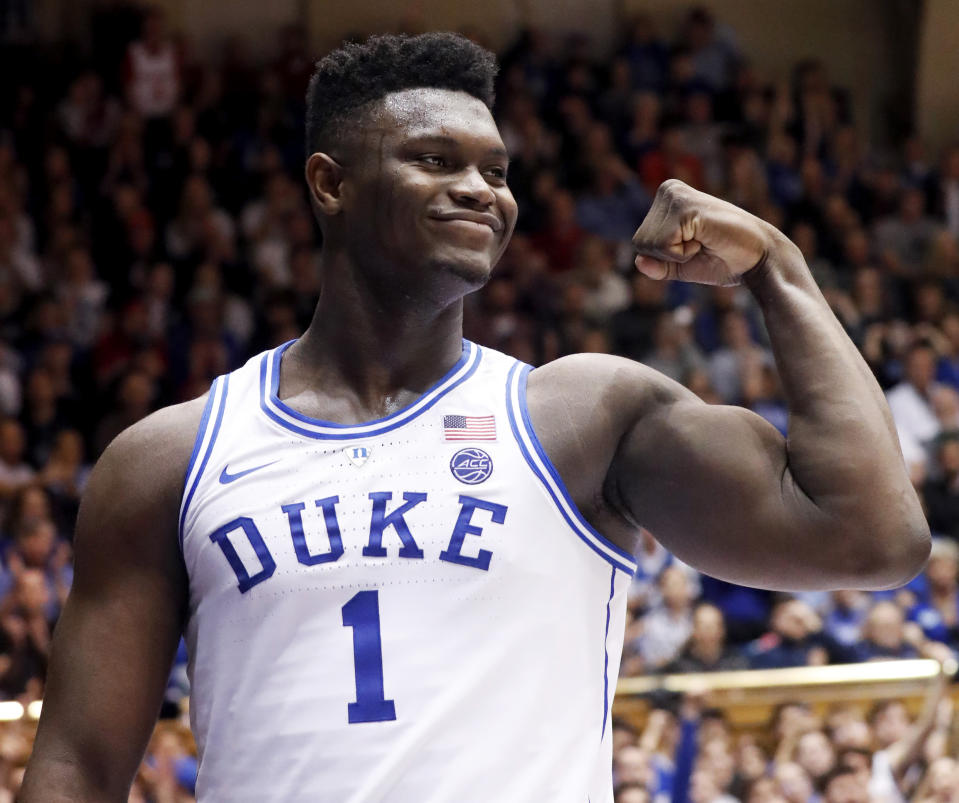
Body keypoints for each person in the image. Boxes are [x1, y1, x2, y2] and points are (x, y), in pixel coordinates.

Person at [22, 32, 929, 802]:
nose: (480, 189)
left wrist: (776, 266)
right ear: (329, 183)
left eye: (495, 170)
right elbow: (77, 761)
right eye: (434, 160)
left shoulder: (583, 415)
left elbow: (871, 537)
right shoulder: (170, 457)